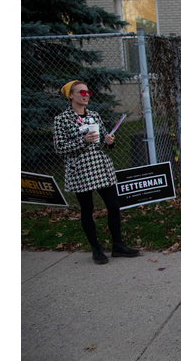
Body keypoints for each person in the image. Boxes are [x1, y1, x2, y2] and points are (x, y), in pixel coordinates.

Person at [53, 80, 141, 264]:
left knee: (114, 206)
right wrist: (82, 141)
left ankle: (117, 245)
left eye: (88, 92)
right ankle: (96, 249)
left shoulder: (94, 115)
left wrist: (109, 141)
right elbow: (59, 148)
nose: (86, 96)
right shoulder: (62, 119)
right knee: (87, 209)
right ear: (71, 95)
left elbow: (101, 140)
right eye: (81, 92)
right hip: (80, 170)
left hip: (100, 167)